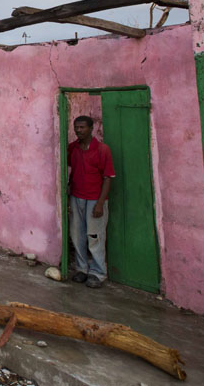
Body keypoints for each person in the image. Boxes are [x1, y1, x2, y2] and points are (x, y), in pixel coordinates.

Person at [68, 115, 115, 288]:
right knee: (77, 234)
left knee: (95, 236)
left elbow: (108, 178)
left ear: (91, 128)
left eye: (82, 127)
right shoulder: (73, 148)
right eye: (76, 127)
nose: (78, 130)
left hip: (95, 199)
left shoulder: (102, 150)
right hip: (76, 197)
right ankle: (82, 268)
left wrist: (101, 203)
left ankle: (98, 272)